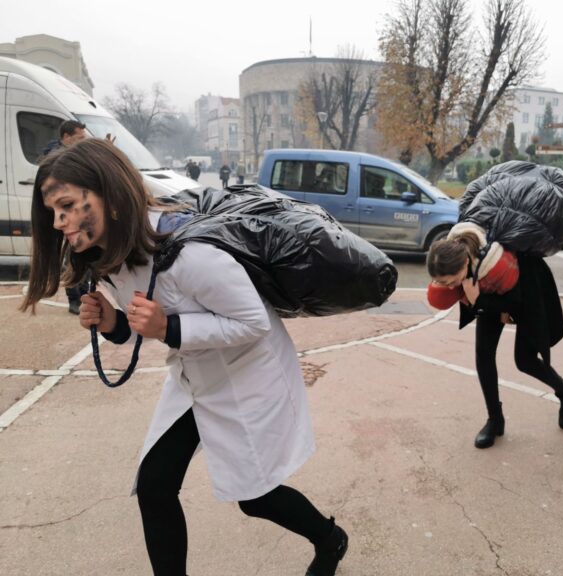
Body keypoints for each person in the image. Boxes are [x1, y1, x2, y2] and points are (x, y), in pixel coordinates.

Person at [21, 139, 349, 576]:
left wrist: (168, 329)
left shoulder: (191, 251)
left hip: (249, 378)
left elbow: (254, 322)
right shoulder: (106, 252)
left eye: (66, 206)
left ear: (110, 195)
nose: (59, 222)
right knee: (155, 487)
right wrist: (112, 323)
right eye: (52, 213)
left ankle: (330, 540)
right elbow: (143, 322)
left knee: (254, 498)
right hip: (194, 378)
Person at [426, 222, 563, 449]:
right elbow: (472, 295)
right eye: (442, 282)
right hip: (489, 294)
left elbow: (514, 300)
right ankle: (495, 419)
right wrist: (476, 300)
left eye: (450, 281)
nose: (449, 287)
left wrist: (480, 300)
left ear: (465, 263)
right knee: (484, 355)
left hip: (525, 290)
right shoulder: (451, 256)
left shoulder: (497, 266)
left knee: (525, 360)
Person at [41, 120, 89, 314]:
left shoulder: (76, 156)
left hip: (79, 215)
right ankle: (74, 299)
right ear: (67, 137)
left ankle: (85, 295)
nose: (83, 141)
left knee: (83, 257)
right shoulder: (55, 161)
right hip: (67, 218)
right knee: (71, 259)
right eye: (80, 137)